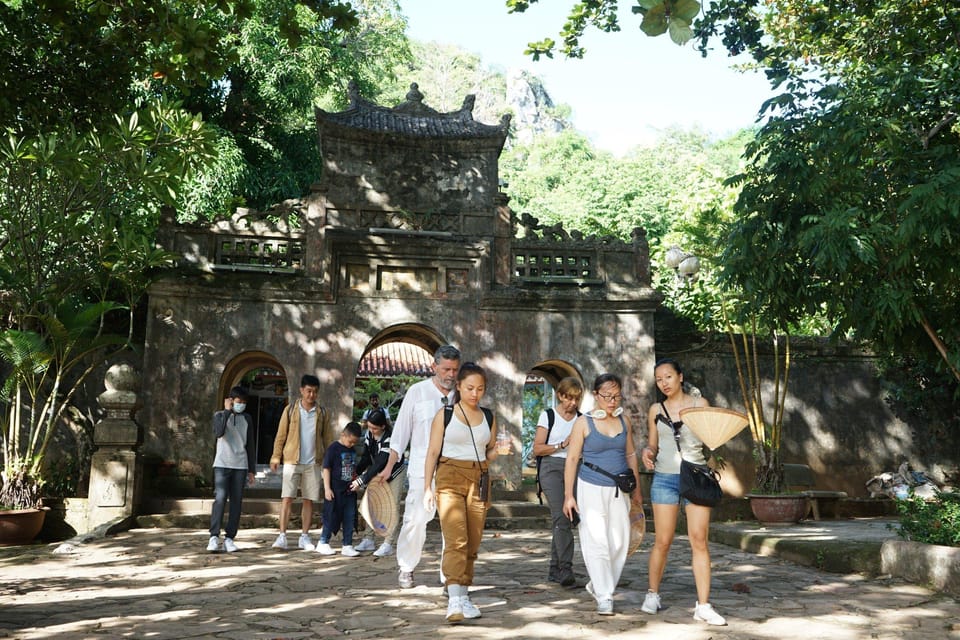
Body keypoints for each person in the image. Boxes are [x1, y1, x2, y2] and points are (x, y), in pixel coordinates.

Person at [640, 358, 726, 626]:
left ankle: (703, 605)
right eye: (659, 379)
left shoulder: (700, 404)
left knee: (699, 540)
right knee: (662, 541)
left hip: (696, 477)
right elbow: (653, 444)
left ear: (680, 376)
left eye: (668, 376)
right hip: (664, 478)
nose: (663, 383)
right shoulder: (656, 408)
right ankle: (652, 594)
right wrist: (648, 453)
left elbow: (712, 439)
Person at [423, 362, 503, 623]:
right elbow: (432, 452)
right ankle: (455, 598)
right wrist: (427, 487)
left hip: (478, 478)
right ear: (458, 386)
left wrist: (498, 451)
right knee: (456, 538)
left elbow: (488, 453)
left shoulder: (489, 417)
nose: (475, 393)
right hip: (448, 477)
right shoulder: (444, 415)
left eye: (480, 389)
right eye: (469, 388)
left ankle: (463, 593)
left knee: (473, 541)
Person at [378, 344, 461, 589]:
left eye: (455, 370)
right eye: (446, 369)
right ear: (434, 367)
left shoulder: (462, 394)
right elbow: (400, 434)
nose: (451, 375)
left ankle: (450, 574)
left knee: (452, 522)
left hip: (453, 468)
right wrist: (388, 468)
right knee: (415, 520)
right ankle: (406, 566)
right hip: (420, 469)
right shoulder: (417, 392)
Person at [562, 373, 643, 616]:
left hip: (620, 489)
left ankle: (598, 583)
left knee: (620, 542)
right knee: (596, 541)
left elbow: (630, 455)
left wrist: (637, 491)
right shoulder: (583, 423)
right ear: (596, 396)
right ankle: (605, 595)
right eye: (607, 395)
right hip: (591, 487)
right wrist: (569, 495)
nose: (612, 400)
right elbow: (573, 459)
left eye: (616, 395)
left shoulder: (624, 421)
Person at [269, 374, 335, 551]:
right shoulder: (290, 410)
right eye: (308, 391)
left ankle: (304, 536)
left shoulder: (322, 413)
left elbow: (328, 439)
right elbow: (280, 435)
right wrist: (276, 456)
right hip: (292, 460)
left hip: (313, 463)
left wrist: (330, 462)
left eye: (314, 392)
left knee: (308, 500)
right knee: (287, 498)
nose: (311, 395)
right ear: (301, 390)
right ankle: (282, 535)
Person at [531, 376, 584, 586]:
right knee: (561, 516)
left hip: (576, 468)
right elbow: (537, 448)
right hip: (551, 467)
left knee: (568, 517)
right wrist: (562, 444)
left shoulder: (581, 419)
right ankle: (565, 568)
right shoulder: (548, 416)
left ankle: (555, 568)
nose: (572, 403)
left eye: (576, 399)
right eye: (568, 398)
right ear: (560, 396)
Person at [207, 386, 256, 553]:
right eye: (238, 402)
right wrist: (227, 412)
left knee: (236, 502)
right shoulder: (219, 415)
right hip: (222, 463)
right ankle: (214, 536)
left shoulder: (247, 418)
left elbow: (250, 444)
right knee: (220, 499)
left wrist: (252, 469)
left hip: (240, 465)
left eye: (243, 402)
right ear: (230, 400)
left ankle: (229, 538)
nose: (241, 405)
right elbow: (219, 433)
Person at [351, 408, 405, 556]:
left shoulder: (390, 438)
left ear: (382, 426)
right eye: (369, 427)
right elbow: (367, 458)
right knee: (370, 504)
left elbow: (380, 462)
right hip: (378, 472)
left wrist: (361, 480)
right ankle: (368, 539)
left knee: (392, 506)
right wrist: (355, 472)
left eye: (375, 428)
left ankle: (388, 543)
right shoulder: (369, 435)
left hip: (394, 473)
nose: (371, 430)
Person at [316, 422, 363, 556]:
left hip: (349, 491)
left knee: (350, 517)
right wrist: (327, 489)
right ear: (343, 434)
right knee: (330, 516)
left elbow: (353, 469)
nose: (352, 445)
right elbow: (326, 469)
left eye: (354, 443)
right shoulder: (333, 448)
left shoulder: (352, 451)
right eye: (350, 441)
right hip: (334, 491)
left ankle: (347, 544)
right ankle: (323, 541)